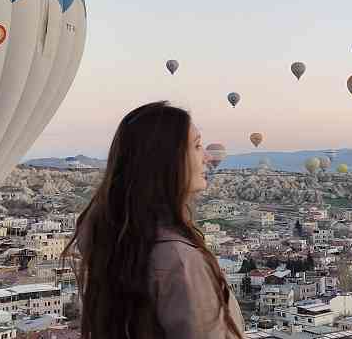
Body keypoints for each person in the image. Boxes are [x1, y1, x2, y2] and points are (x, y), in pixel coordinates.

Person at [67, 101, 245, 339]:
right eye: (197, 145)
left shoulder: (112, 242)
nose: (207, 157)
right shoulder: (179, 260)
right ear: (165, 159)